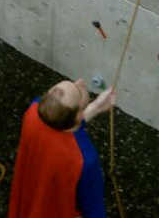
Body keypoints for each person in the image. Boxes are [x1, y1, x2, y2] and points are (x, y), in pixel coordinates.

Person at [8, 78, 116, 218]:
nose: (81, 82)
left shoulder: (33, 112)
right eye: (78, 90)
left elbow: (63, 123)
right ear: (78, 116)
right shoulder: (84, 161)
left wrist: (95, 107)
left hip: (29, 196)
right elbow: (94, 212)